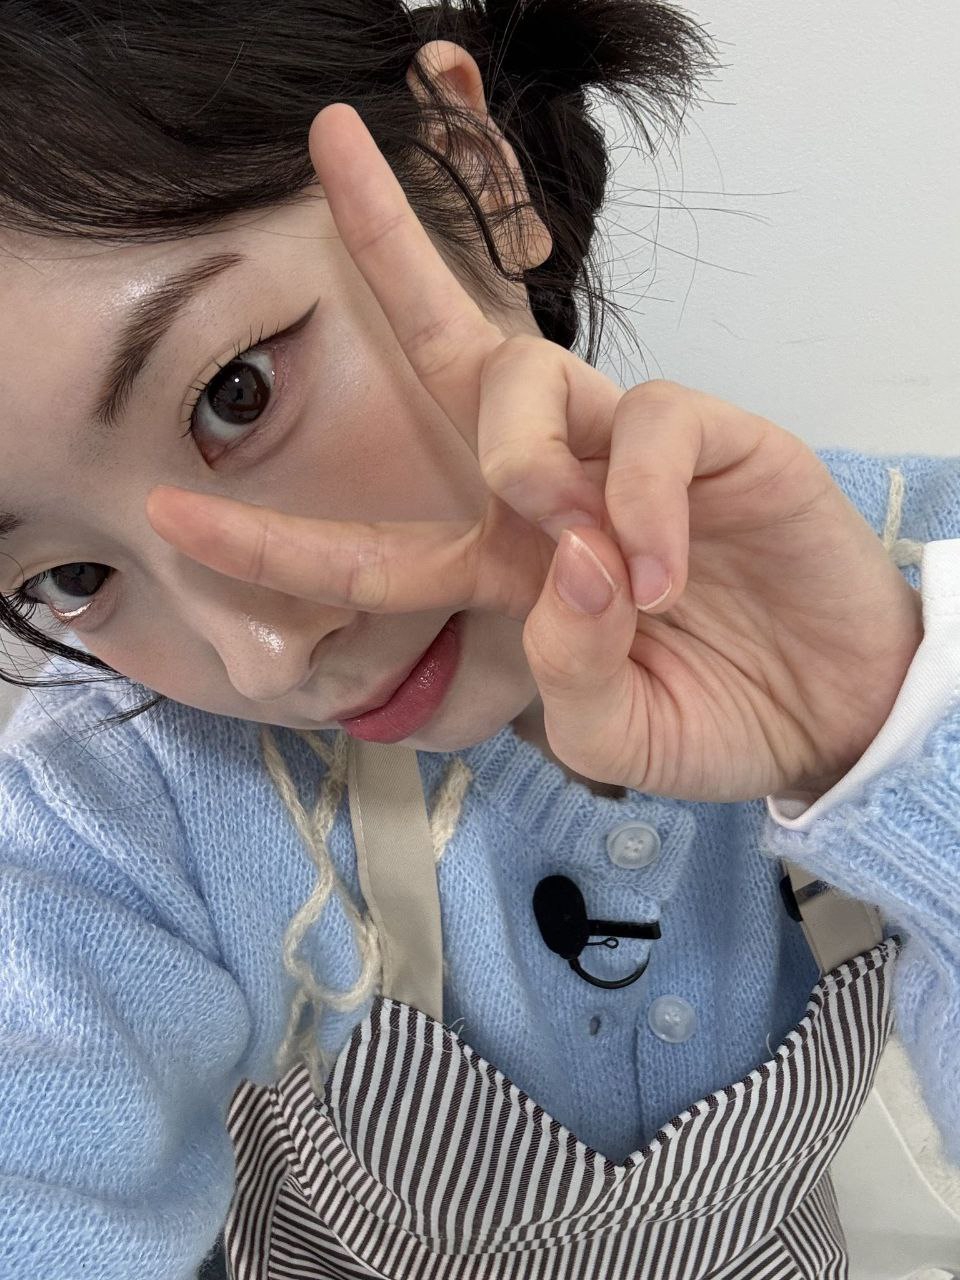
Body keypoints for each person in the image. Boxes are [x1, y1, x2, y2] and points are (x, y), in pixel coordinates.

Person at [0, 0, 957, 1276]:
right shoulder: (117, 809)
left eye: (238, 393)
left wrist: (894, 737)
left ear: (473, 163)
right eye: (68, 576)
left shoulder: (914, 579)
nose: (262, 658)